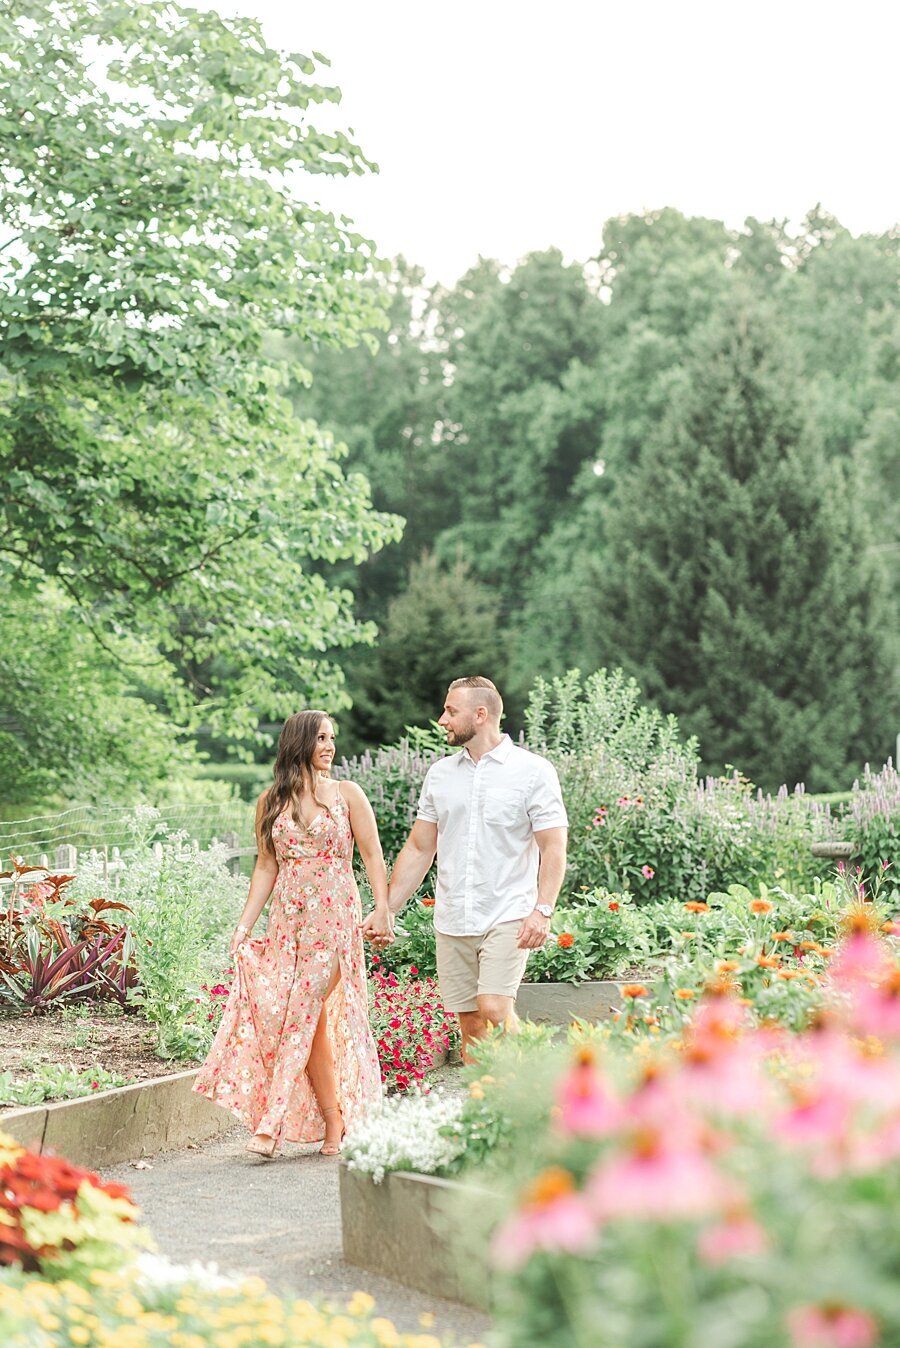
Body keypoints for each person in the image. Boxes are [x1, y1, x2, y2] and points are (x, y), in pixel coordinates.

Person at [194, 710, 392, 1157]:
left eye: (332, 738)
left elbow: (373, 856)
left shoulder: (347, 794)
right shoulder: (271, 801)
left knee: (302, 1007)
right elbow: (266, 865)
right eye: (321, 737)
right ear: (299, 741)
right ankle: (333, 1119)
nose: (330, 745)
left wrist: (382, 910)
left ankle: (271, 1121)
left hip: (336, 920)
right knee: (305, 1017)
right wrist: (244, 926)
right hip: (289, 923)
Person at [364, 676, 568, 1061]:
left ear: (481, 714)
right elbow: (421, 847)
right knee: (472, 1023)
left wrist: (543, 910)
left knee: (493, 1006)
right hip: (453, 916)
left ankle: (539, 1083)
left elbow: (553, 847)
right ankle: (485, 1107)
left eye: (450, 711)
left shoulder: (533, 771)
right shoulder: (440, 775)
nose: (442, 719)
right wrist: (385, 908)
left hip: (509, 912)